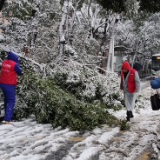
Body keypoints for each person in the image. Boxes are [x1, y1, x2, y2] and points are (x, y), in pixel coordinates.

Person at [0, 51, 22, 123]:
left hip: (2, 84)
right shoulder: (14, 64)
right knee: (11, 100)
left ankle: (5, 116)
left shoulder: (4, 62)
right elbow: (19, 71)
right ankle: (7, 119)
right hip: (9, 84)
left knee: (6, 99)